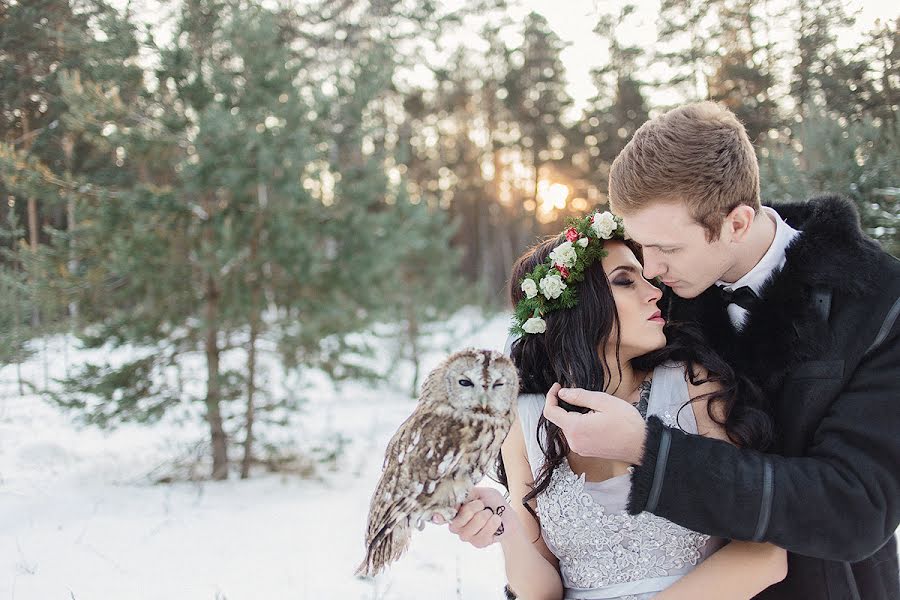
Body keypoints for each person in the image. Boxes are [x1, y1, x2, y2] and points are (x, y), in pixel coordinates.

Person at [541, 102, 900, 599]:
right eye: (640, 247)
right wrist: (497, 508)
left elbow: (856, 510)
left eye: (666, 249)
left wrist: (650, 450)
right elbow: (571, 385)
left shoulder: (880, 302)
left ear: (736, 222)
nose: (649, 269)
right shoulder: (654, 298)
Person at [437, 212, 787, 599]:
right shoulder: (527, 417)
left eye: (645, 276)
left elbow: (765, 553)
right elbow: (543, 591)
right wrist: (504, 527)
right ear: (577, 307)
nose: (654, 290)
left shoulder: (695, 386)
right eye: (624, 280)